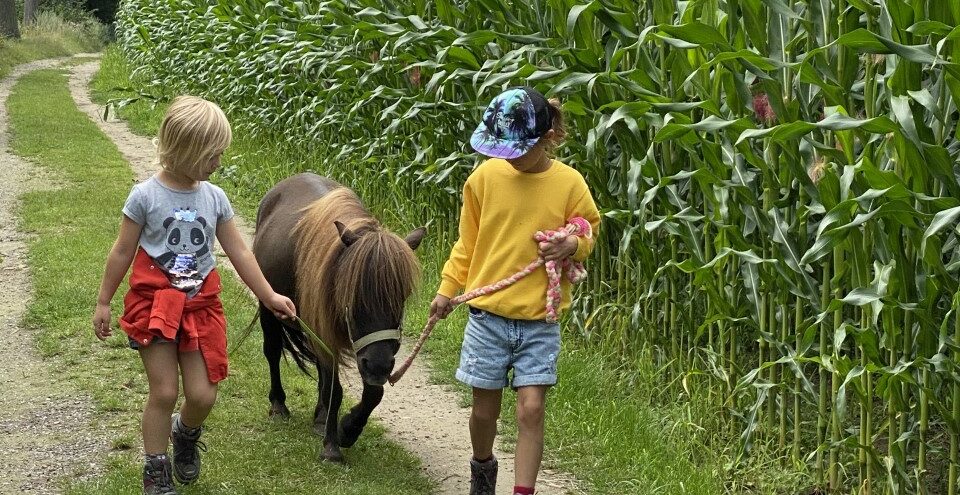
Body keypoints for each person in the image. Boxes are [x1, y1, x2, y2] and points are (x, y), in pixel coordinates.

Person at [92, 96, 297, 495]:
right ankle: (155, 469)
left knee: (202, 395)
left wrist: (270, 295)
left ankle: (184, 434)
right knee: (165, 391)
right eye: (211, 154)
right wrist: (104, 300)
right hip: (156, 307)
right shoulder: (145, 197)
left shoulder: (214, 197)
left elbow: (238, 251)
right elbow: (122, 251)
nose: (218, 162)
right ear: (184, 149)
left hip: (200, 308)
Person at [430, 87, 601, 495]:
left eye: (516, 148)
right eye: (500, 148)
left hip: (539, 321)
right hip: (487, 317)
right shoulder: (483, 179)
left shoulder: (570, 184)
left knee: (531, 409)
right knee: (484, 413)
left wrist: (571, 245)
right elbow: (466, 244)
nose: (506, 156)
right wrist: (446, 289)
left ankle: (523, 490)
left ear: (547, 138)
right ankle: (483, 469)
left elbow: (587, 230)